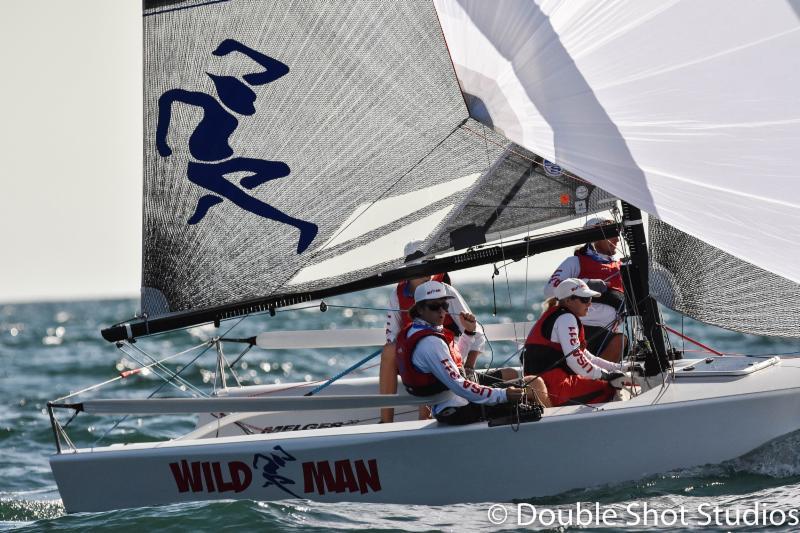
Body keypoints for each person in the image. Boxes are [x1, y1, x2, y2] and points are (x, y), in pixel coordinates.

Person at [396, 280, 550, 425]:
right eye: (435, 307)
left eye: (445, 305)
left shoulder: (418, 330)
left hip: (453, 399)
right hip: (458, 409)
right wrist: (503, 395)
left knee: (515, 376)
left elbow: (453, 362)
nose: (442, 312)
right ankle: (554, 429)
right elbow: (459, 385)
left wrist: (469, 333)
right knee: (535, 385)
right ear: (420, 309)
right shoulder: (430, 343)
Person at [379, 272, 490, 422]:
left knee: (428, 350)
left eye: (443, 305)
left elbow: (476, 331)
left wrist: (469, 367)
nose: (427, 275)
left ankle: (425, 420)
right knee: (390, 351)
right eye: (421, 270)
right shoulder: (396, 295)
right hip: (418, 353)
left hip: (449, 353)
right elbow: (392, 337)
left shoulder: (445, 291)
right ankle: (386, 421)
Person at [524, 278, 628, 406]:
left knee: (609, 381)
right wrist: (605, 376)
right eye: (585, 299)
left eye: (590, 299)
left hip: (548, 383)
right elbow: (575, 359)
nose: (589, 304)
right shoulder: (566, 318)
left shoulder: (559, 315)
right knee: (610, 387)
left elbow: (587, 357)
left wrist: (621, 367)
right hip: (554, 387)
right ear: (568, 300)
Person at [544, 217, 627, 362]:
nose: (617, 239)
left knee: (621, 341)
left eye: (617, 233)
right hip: (578, 328)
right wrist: (586, 284)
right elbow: (550, 290)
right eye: (611, 234)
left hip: (607, 333)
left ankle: (598, 382)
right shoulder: (575, 262)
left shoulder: (621, 266)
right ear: (595, 238)